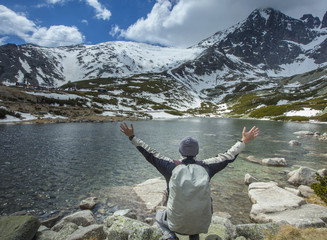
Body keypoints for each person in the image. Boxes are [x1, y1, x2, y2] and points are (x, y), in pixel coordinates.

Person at [120, 122, 260, 240]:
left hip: (176, 224)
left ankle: (170, 236)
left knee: (159, 215)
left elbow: (149, 153)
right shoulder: (207, 167)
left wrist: (132, 137)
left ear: (180, 151)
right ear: (197, 152)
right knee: (198, 208)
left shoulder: (170, 166)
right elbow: (229, 155)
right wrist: (244, 141)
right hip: (201, 224)